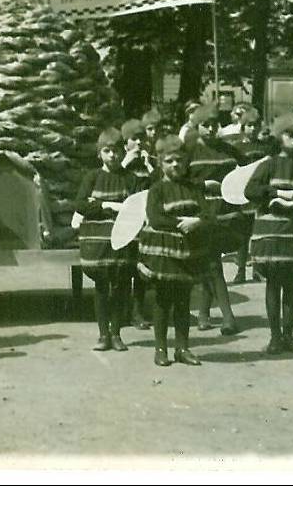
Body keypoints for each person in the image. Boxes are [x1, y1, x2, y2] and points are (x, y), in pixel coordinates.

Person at [244, 112, 293, 355]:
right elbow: (251, 191)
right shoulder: (268, 165)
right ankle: (275, 336)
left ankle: (288, 335)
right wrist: (276, 195)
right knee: (274, 283)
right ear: (280, 137)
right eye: (290, 134)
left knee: (291, 285)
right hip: (273, 235)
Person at [138, 134, 213, 366]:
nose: (175, 165)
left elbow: (208, 213)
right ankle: (161, 349)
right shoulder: (157, 189)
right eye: (170, 161)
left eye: (179, 160)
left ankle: (183, 348)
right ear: (161, 163)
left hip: (189, 252)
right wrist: (182, 224)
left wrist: (198, 222)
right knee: (163, 301)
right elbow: (156, 218)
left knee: (183, 301)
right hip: (164, 253)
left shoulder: (193, 188)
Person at [73, 127, 138, 352]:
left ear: (123, 152)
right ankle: (102, 334)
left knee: (121, 287)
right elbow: (81, 204)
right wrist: (107, 206)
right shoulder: (92, 177)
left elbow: (136, 207)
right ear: (99, 153)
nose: (113, 156)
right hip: (97, 242)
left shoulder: (130, 179)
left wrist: (109, 206)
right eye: (107, 151)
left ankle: (117, 333)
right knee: (101, 287)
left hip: (123, 241)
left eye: (117, 151)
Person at [186, 104, 243, 336]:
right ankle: (228, 316)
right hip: (202, 213)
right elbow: (177, 180)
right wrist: (202, 185)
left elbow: (246, 169)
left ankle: (203, 313)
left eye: (214, 125)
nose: (210, 130)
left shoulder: (229, 151)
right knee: (212, 263)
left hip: (227, 212)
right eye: (205, 125)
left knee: (213, 259)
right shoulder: (188, 152)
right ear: (196, 126)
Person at [222, 106, 271, 283]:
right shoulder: (236, 147)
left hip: (259, 193)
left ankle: (257, 269)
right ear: (243, 127)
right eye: (249, 125)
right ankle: (241, 270)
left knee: (257, 232)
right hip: (242, 194)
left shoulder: (264, 148)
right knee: (242, 234)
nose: (252, 129)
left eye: (255, 125)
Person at [120, 118, 155, 331]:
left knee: (141, 271)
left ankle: (138, 312)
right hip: (125, 222)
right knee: (124, 269)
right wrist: (125, 162)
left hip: (143, 223)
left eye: (141, 139)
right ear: (126, 144)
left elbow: (158, 185)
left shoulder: (148, 164)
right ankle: (123, 311)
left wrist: (150, 165)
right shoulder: (121, 165)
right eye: (134, 139)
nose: (139, 143)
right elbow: (114, 180)